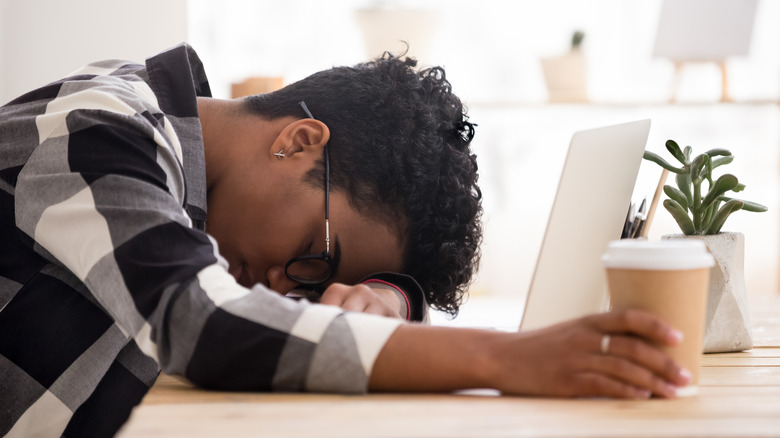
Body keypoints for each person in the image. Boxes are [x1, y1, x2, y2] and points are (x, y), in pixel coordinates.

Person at [0, 44, 691, 437]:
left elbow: (273, 314)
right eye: (317, 255)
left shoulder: (193, 193)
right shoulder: (100, 130)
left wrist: (387, 293)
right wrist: (506, 358)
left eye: (314, 279)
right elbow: (202, 323)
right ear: (300, 141)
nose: (283, 286)